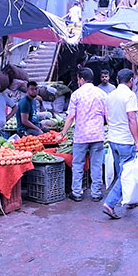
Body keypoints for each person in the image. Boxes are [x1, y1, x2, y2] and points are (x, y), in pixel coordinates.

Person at [60, 68, 108, 202]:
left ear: (81, 79)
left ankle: (77, 192)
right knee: (96, 164)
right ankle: (96, 193)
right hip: (97, 135)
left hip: (81, 136)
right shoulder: (102, 94)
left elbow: (70, 116)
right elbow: (107, 116)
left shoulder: (76, 94)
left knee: (78, 164)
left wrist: (63, 133)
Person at [103, 68, 138, 220]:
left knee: (122, 171)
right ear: (131, 80)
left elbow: (109, 117)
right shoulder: (129, 95)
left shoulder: (111, 95)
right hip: (126, 140)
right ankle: (110, 203)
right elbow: (132, 118)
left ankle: (130, 200)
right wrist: (137, 141)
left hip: (113, 139)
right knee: (126, 173)